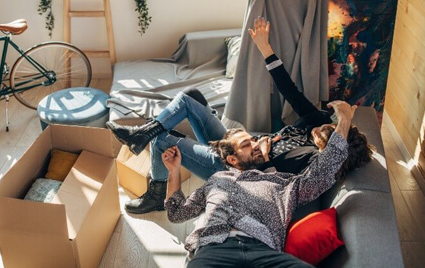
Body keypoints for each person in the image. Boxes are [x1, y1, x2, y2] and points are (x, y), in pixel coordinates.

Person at [107, 17, 373, 214]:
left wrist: (266, 155)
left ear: (330, 148)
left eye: (324, 134)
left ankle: (156, 191)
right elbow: (289, 91)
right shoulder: (316, 123)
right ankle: (143, 134)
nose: (318, 128)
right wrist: (265, 48)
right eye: (326, 125)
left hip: (234, 166)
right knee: (191, 96)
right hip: (239, 147)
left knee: (162, 139)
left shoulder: (313, 162)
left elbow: (269, 184)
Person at [162, 99, 354, 268]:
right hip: (214, 248)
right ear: (232, 160)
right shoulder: (215, 181)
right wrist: (174, 171)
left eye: (253, 140)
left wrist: (344, 120)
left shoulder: (284, 183)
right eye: (246, 145)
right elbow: (176, 214)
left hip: (264, 251)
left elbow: (324, 170)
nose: (256, 144)